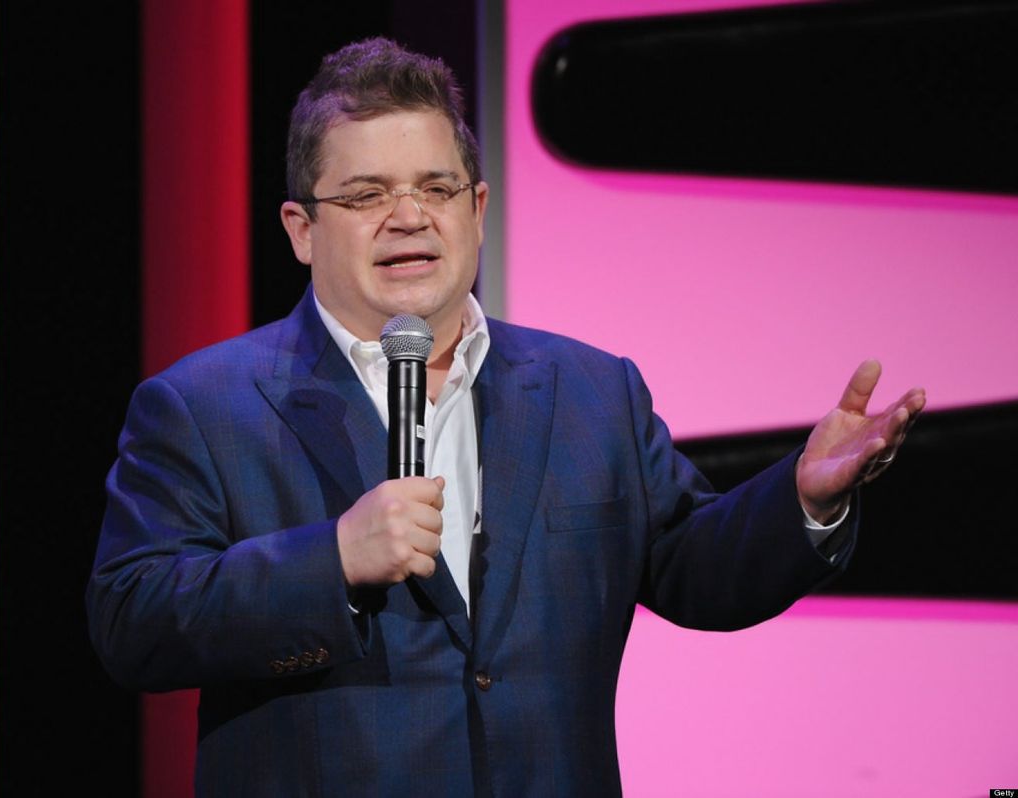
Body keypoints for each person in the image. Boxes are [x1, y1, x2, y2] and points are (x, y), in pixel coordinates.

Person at [87, 37, 925, 797]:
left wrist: (803, 500)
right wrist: (332, 560)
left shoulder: (591, 390)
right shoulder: (205, 405)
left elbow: (691, 566)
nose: (409, 216)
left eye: (436, 188)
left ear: (478, 210)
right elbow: (132, 620)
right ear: (301, 229)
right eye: (368, 194)